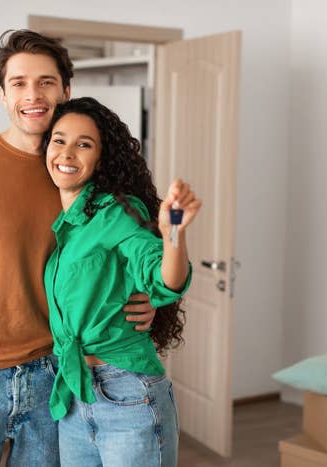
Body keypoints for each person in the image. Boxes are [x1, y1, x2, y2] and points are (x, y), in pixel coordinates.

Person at [0, 30, 156, 467]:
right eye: (18, 83)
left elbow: (126, 253)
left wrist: (146, 301)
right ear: (3, 94)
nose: (33, 94)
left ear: (66, 91)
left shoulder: (76, 174)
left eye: (46, 82)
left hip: (55, 376)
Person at [42, 97, 202, 467]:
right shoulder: (63, 223)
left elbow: (164, 278)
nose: (67, 152)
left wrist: (173, 234)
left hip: (127, 394)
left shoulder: (116, 212)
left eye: (84, 144)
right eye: (59, 140)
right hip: (74, 394)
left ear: (101, 158)